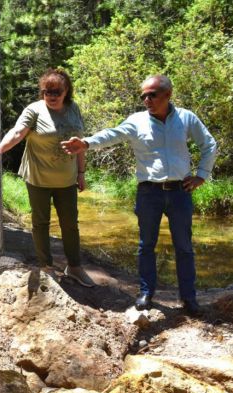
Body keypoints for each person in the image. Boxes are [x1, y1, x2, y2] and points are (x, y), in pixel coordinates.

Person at [61, 75, 217, 313]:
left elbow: (209, 144)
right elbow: (112, 134)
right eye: (143, 95)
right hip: (149, 193)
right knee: (146, 246)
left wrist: (202, 175)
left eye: (152, 94)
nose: (146, 99)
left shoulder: (186, 118)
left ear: (168, 95)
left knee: (184, 246)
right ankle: (146, 293)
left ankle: (189, 298)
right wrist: (86, 143)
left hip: (179, 192)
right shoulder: (137, 121)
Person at [0, 68, 96, 287]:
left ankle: (74, 267)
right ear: (42, 92)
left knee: (70, 224)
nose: (52, 96)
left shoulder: (74, 109)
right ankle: (46, 267)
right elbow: (17, 133)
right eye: (47, 91)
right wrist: (1, 149)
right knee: (40, 223)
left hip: (67, 179)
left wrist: (81, 172)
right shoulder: (34, 110)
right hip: (38, 178)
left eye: (57, 91)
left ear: (66, 91)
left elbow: (80, 145)